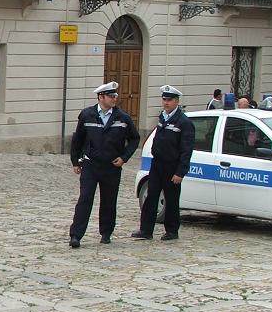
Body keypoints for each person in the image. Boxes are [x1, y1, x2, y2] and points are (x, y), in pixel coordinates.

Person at [67, 81, 140, 248]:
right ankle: (76, 235)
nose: (114, 98)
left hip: (111, 166)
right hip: (91, 165)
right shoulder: (87, 115)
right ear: (101, 97)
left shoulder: (123, 118)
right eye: (111, 96)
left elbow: (134, 139)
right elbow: (77, 139)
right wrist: (75, 161)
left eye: (115, 95)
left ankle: (106, 233)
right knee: (85, 199)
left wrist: (124, 158)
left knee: (109, 201)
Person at [132, 85, 196, 241]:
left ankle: (172, 231)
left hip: (172, 165)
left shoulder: (183, 122)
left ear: (177, 101)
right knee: (151, 196)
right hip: (157, 163)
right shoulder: (163, 117)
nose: (166, 102)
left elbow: (186, 150)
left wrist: (180, 172)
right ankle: (146, 230)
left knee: (171, 199)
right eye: (164, 99)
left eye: (169, 100)